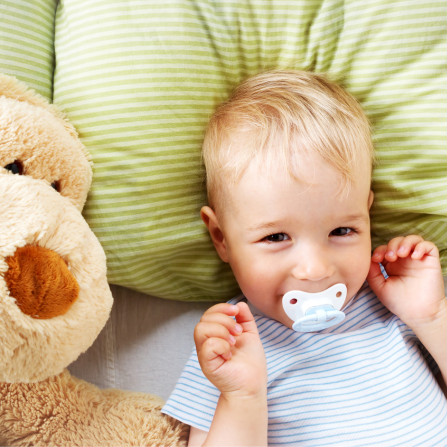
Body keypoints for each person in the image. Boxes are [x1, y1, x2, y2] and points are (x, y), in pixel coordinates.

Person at [161, 70, 447, 446]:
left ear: (367, 214)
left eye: (342, 231)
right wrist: (243, 398)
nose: (315, 270)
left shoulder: (394, 306)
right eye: (276, 237)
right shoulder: (229, 345)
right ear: (221, 237)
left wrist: (432, 316)